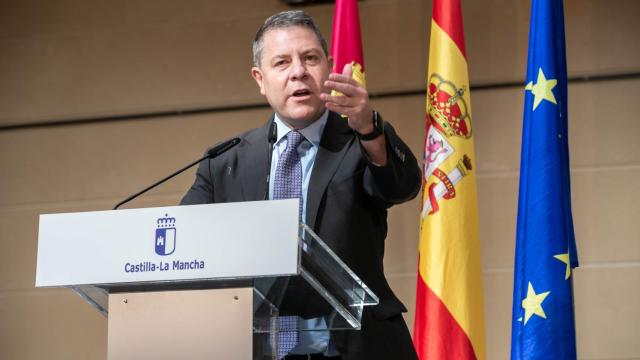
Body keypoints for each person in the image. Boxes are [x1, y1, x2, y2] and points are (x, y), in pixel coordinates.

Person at [181, 10, 420, 360]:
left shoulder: (360, 140)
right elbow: (184, 242)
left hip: (356, 347)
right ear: (260, 79)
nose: (298, 71)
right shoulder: (225, 161)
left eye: (310, 58)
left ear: (329, 66)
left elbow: (403, 186)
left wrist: (368, 127)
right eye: (282, 62)